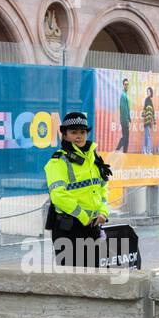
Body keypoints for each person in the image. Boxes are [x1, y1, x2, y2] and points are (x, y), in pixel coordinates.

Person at [45, 111, 111, 266]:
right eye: (73, 132)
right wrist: (83, 216)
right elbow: (58, 196)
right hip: (68, 229)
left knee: (92, 276)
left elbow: (102, 188)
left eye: (82, 132)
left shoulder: (94, 158)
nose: (79, 136)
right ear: (65, 135)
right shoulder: (58, 162)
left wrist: (103, 211)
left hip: (92, 226)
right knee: (71, 279)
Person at [115, 77, 132, 153]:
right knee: (125, 138)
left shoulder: (125, 95)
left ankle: (124, 152)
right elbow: (123, 109)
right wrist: (126, 121)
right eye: (125, 84)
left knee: (126, 138)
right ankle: (118, 149)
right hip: (124, 121)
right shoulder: (123, 95)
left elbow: (127, 108)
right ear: (123, 85)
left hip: (126, 120)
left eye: (127, 84)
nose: (126, 86)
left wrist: (129, 118)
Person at [142, 87, 156, 155]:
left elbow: (153, 112)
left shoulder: (151, 101)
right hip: (146, 121)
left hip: (149, 121)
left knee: (147, 136)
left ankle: (147, 150)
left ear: (151, 93)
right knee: (147, 136)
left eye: (149, 91)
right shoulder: (146, 100)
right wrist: (143, 114)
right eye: (147, 92)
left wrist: (154, 120)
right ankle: (147, 150)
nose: (148, 93)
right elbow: (144, 109)